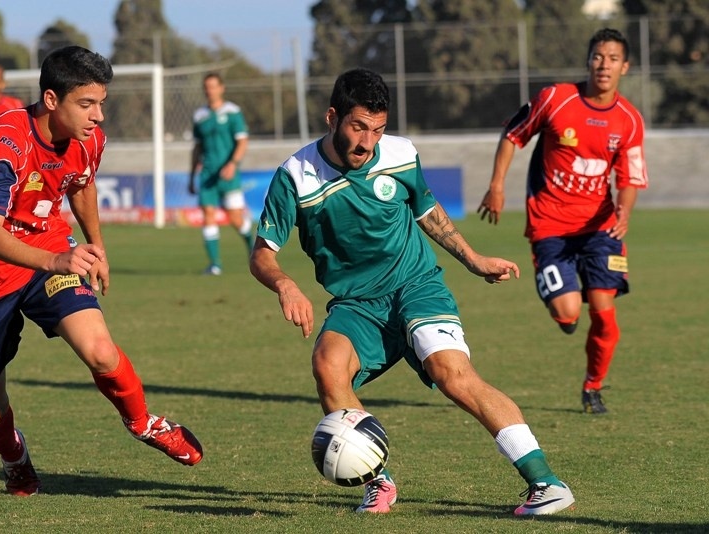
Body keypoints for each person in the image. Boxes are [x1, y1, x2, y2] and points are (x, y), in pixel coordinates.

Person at [249, 68, 575, 516]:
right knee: (328, 366)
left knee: (451, 373)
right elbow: (262, 254)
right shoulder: (295, 176)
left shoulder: (400, 154)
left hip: (415, 285)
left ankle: (546, 483)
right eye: (358, 127)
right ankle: (377, 481)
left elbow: (426, 209)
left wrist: (473, 259)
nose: (367, 142)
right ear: (332, 117)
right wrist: (285, 284)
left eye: (378, 129)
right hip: (357, 304)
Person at [0, 46, 203, 497]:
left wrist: (97, 246)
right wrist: (55, 260)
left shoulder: (89, 138)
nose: (98, 116)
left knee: (100, 351)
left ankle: (144, 423)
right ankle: (15, 458)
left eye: (102, 103)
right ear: (51, 99)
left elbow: (81, 185)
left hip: (47, 248)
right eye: (86, 104)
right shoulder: (5, 140)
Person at [477, 28, 648, 415]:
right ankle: (567, 300)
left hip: (601, 228)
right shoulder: (555, 98)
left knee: (605, 314)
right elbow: (513, 134)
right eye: (598, 56)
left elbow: (631, 177)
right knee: (568, 313)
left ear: (625, 67)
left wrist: (624, 210)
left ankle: (593, 386)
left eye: (613, 59)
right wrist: (497, 186)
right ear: (588, 61)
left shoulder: (629, 120)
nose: (604, 65)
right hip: (550, 227)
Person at [189, 72, 254, 275]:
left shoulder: (233, 112)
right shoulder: (200, 116)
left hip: (228, 174)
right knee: (208, 214)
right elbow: (197, 148)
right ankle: (215, 264)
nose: (210, 90)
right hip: (207, 175)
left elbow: (242, 142)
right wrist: (192, 176)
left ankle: (253, 249)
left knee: (235, 218)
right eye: (206, 87)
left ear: (221, 88)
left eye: (213, 86)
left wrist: (233, 164)